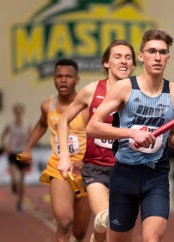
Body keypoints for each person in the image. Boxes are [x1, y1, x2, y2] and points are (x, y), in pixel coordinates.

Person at [83, 29, 174, 242]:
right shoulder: (124, 88)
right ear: (141, 56)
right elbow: (93, 126)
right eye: (152, 51)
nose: (157, 57)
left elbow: (173, 135)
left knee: (152, 238)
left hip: (155, 176)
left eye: (162, 52)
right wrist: (131, 133)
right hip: (124, 176)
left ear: (168, 57)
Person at [57, 40, 136, 242]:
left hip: (129, 170)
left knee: (112, 228)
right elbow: (64, 119)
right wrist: (65, 156)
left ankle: (96, 237)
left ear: (134, 65)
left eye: (128, 57)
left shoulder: (140, 94)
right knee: (107, 217)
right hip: (96, 169)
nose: (123, 61)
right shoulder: (91, 91)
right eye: (117, 56)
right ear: (106, 63)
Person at [20, 59, 91, 241]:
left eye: (68, 76)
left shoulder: (86, 107)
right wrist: (28, 148)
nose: (63, 80)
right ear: (53, 79)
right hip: (59, 169)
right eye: (59, 76)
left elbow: (97, 135)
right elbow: (41, 125)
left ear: (77, 80)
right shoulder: (48, 105)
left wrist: (86, 160)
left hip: (84, 170)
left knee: (80, 231)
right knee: (64, 222)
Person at [0, 103, 33, 211]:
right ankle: (13, 184)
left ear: (22, 113)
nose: (18, 114)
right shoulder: (10, 125)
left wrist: (29, 145)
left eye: (20, 112)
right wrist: (5, 147)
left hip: (23, 153)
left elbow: (33, 137)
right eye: (16, 112)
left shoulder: (27, 125)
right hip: (13, 153)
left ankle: (20, 201)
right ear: (14, 113)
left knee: (22, 180)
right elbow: (2, 137)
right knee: (14, 176)